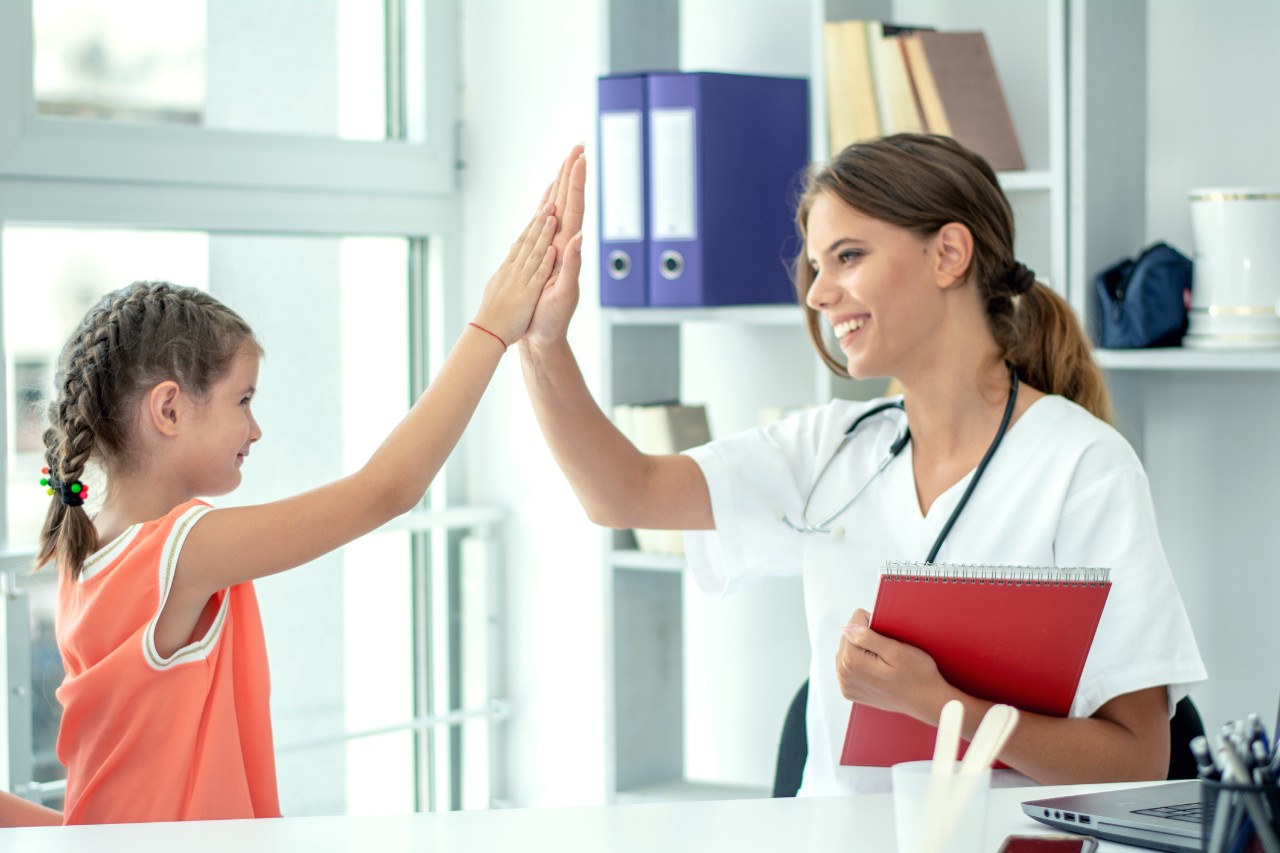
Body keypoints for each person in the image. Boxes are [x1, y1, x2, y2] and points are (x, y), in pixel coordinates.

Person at [519, 134, 1206, 796]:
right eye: (816, 267)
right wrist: (544, 345)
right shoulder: (830, 447)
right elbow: (625, 494)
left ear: (949, 254)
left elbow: (1140, 758)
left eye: (848, 255)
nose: (818, 294)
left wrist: (941, 705)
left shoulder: (1082, 466)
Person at [10, 148, 586, 827]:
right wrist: (491, 327)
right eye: (243, 399)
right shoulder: (179, 548)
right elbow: (386, 489)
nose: (256, 428)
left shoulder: (84, 545)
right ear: (169, 409)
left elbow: (105, 814)